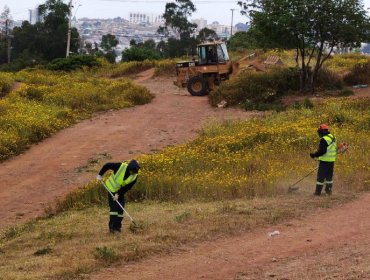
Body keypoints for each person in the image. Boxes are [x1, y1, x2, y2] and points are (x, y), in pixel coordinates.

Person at [96, 159, 140, 233]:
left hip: (120, 192)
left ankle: (118, 227)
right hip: (111, 189)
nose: (132, 173)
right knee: (114, 209)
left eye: (134, 172)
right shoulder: (120, 166)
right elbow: (107, 165)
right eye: (131, 171)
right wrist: (100, 174)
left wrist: (118, 194)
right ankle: (112, 228)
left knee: (120, 209)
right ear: (129, 168)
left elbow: (127, 187)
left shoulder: (134, 177)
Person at [310, 124, 337, 196]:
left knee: (320, 177)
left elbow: (322, 151)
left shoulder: (324, 139)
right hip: (331, 161)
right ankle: (328, 192)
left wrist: (314, 155)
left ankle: (317, 193)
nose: (319, 134)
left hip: (324, 161)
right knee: (329, 177)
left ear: (322, 132)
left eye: (319, 132)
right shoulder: (333, 137)